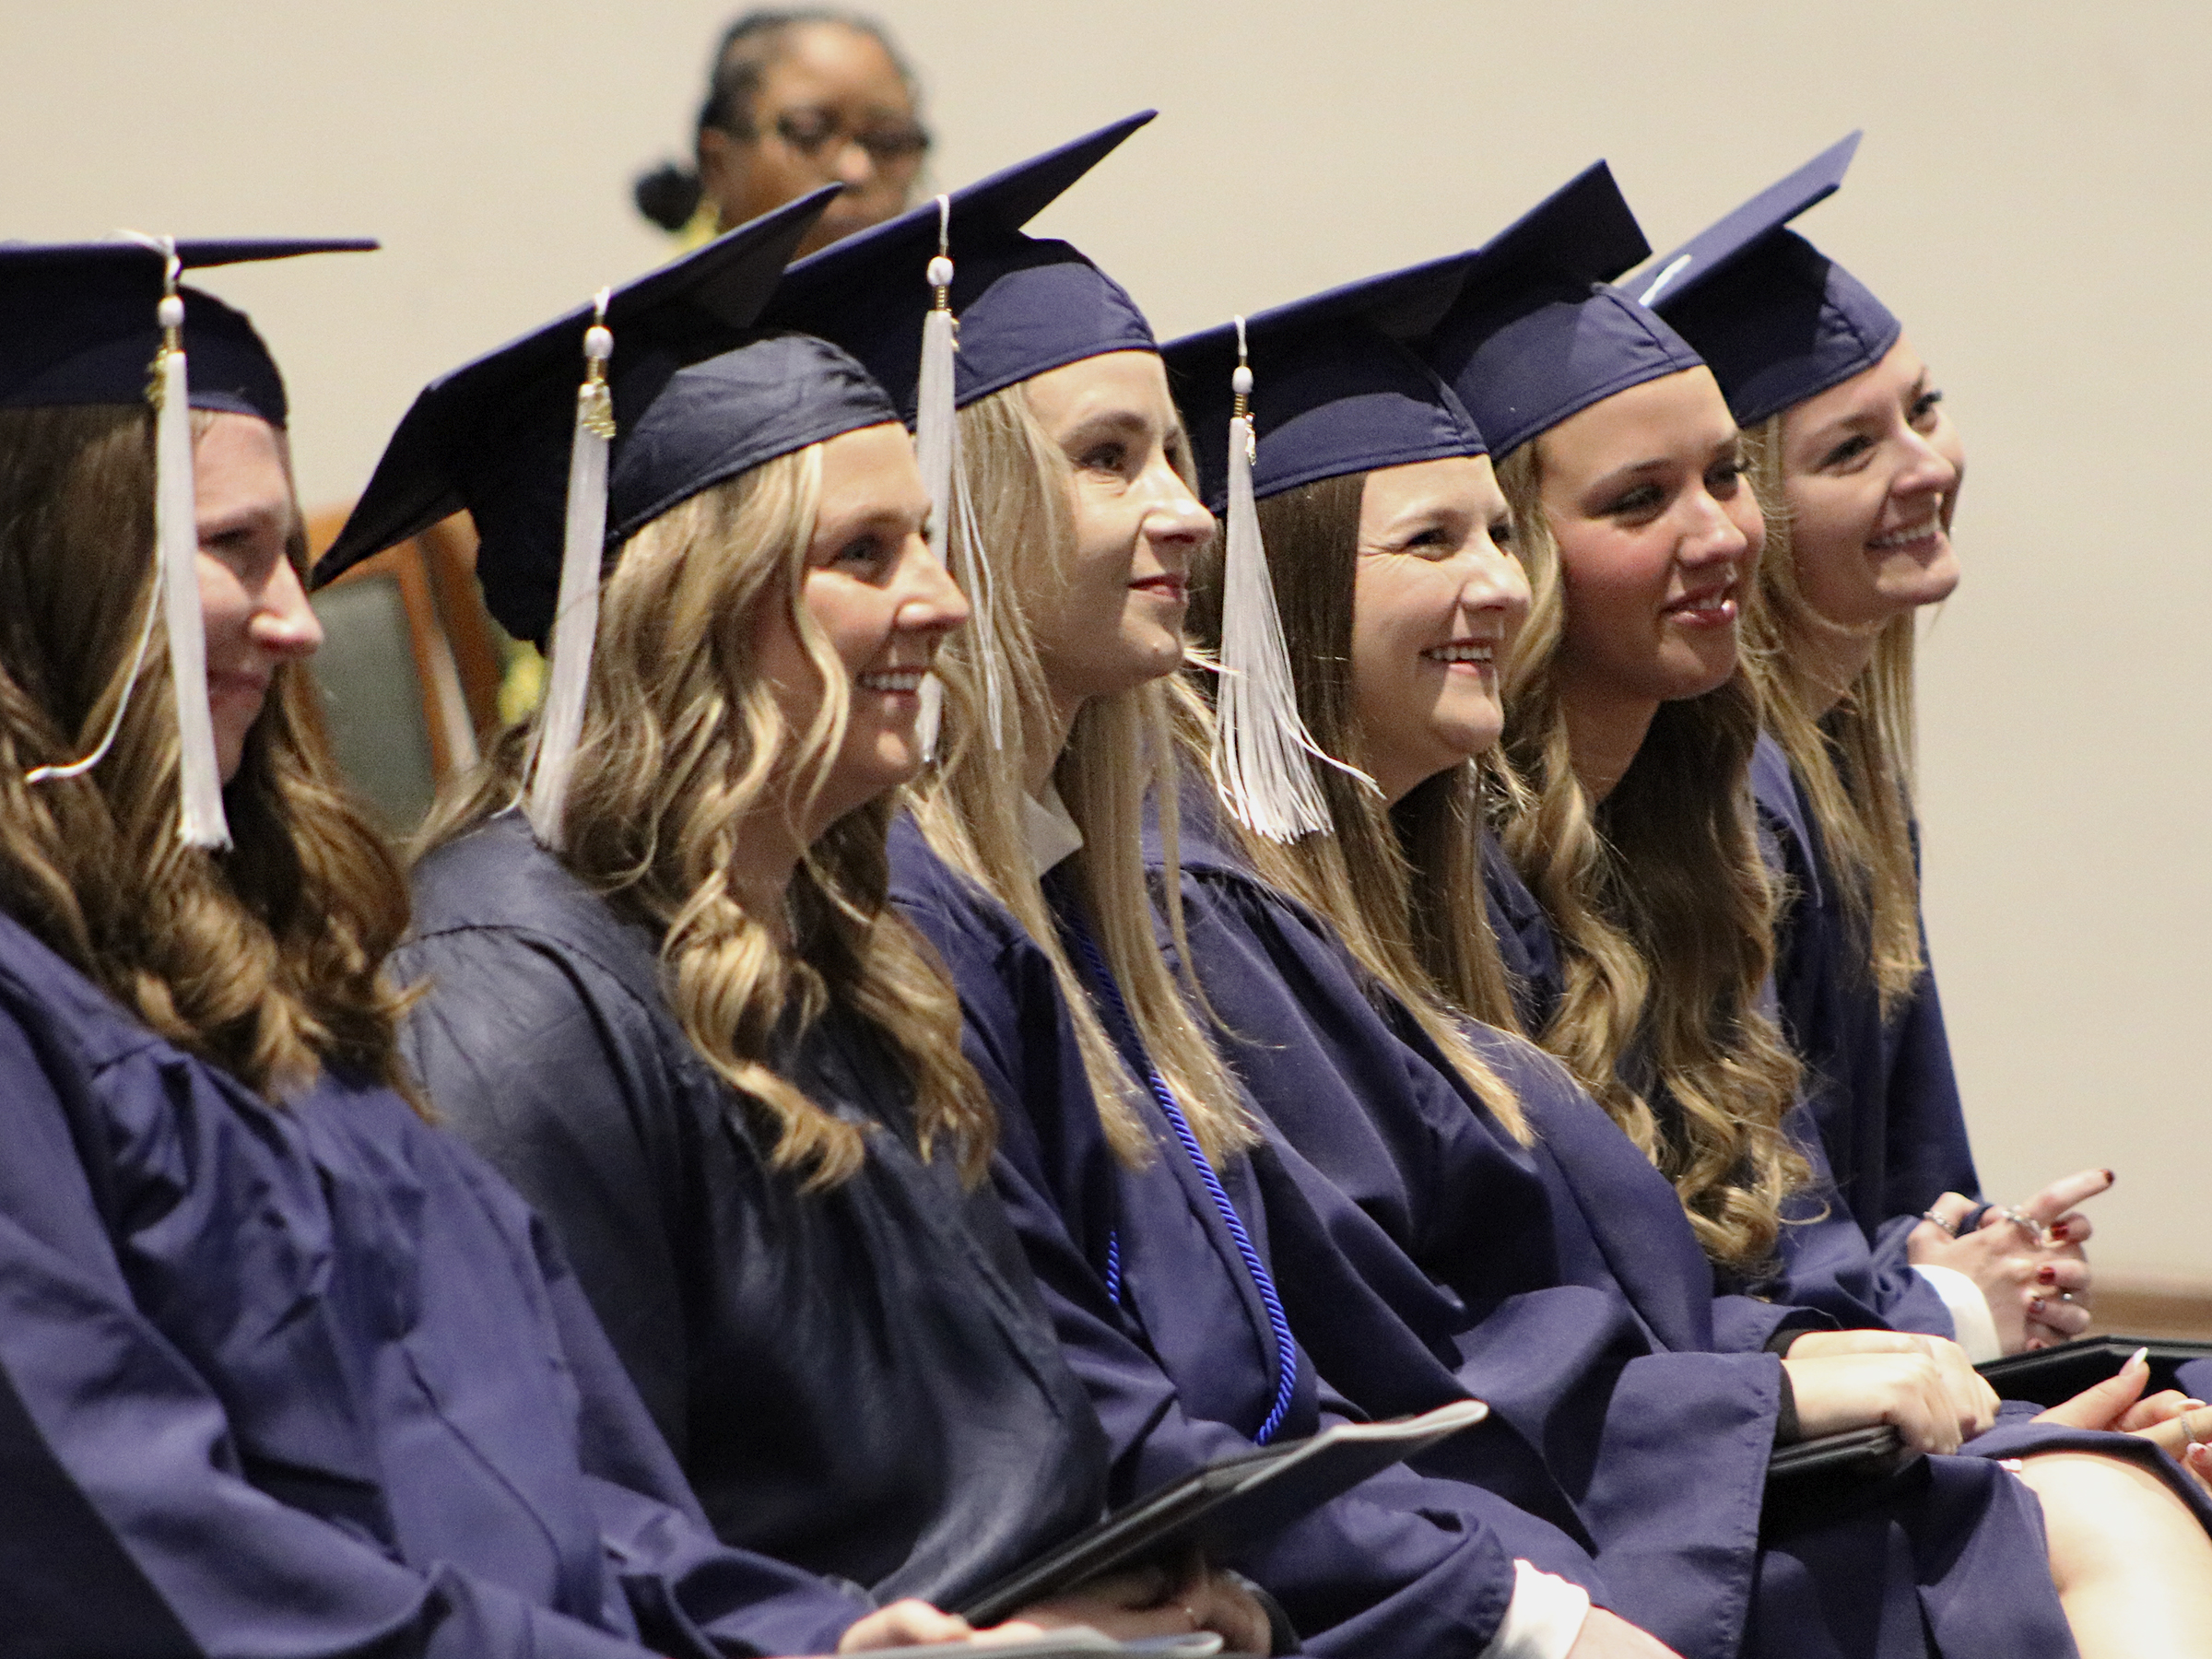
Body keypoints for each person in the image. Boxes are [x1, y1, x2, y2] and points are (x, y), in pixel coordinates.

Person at [0, 232, 1020, 1658]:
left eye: (288, 552)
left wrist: (803, 1637)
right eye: (231, 553)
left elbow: (537, 1448)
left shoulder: (278, 979)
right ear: (55, 573)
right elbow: (139, 1545)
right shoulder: (41, 1031)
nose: (298, 622)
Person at [767, 119, 1678, 1658]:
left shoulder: (1075, 899)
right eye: (1113, 459)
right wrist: (1510, 1613)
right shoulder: (928, 920)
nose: (1190, 513)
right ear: (969, 507)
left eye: (1179, 456)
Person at [315, 192, 1263, 1650]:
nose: (944, 605)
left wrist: (1184, 1585)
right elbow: (550, 1506)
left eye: (928, 542)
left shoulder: (844, 949)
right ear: (690, 608)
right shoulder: (506, 1000)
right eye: (866, 555)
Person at [1395, 164, 2212, 1656]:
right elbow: (1538, 1344)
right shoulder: (1446, 892)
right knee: (2114, 1505)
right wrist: (1947, 1342)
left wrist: (1960, 1341)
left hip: (1763, 1428)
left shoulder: (1701, 818)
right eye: (1645, 499)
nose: (1719, 534)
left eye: (1722, 479)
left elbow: (1782, 1240)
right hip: (1620, 1508)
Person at [1638, 134, 2105, 1359]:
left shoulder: (1842, 766)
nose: (1927, 467)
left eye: (1924, 409)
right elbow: (1750, 1230)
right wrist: (1938, 1298)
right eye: (1852, 449)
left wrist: (1974, 1254)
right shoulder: (1725, 803)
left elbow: (1892, 1180)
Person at [634, 9, 929, 256]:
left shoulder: (946, 313)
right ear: (719, 164)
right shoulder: (659, 323)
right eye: (809, 134)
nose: (856, 172)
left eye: (891, 141)